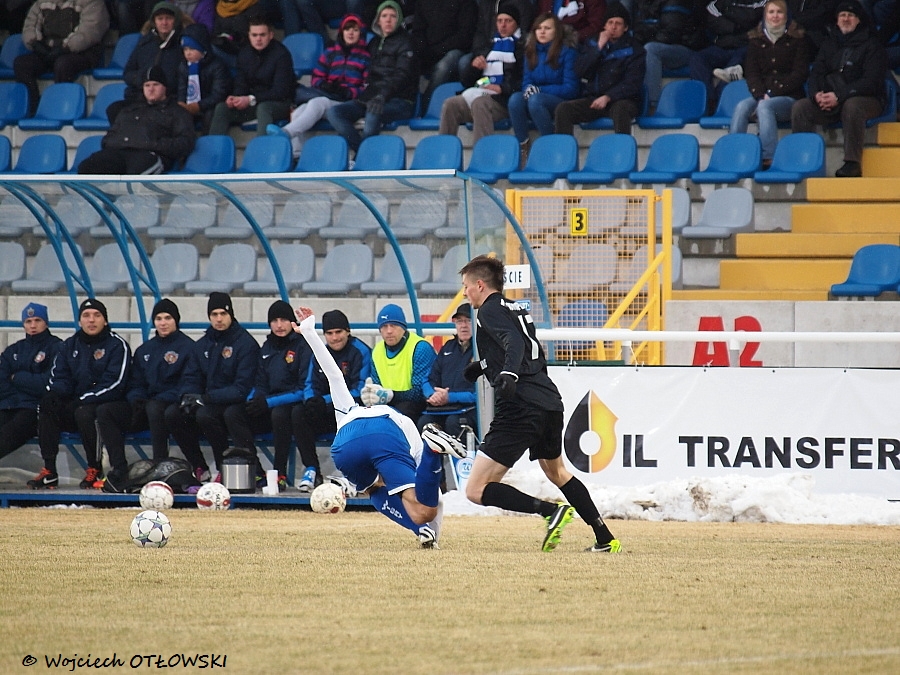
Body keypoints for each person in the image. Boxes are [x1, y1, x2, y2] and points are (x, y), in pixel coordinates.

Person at [459, 255, 621, 553]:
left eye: (466, 286)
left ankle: (550, 511)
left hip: (520, 406)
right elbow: (526, 349)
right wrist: (483, 366)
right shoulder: (515, 308)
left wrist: (508, 374)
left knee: (475, 489)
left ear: (479, 285)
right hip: (548, 401)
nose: (464, 293)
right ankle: (605, 538)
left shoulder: (488, 310)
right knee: (558, 472)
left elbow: (513, 343)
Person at [293, 305, 467, 549]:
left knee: (373, 489)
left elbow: (334, 375)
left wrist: (310, 332)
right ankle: (432, 451)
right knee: (423, 509)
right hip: (387, 433)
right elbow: (434, 498)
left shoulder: (348, 408)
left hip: (345, 444)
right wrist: (435, 527)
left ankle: (421, 532)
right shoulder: (402, 424)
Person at [28, 299, 131, 490]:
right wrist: (56, 394)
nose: (91, 320)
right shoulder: (69, 345)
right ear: (79, 321)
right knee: (47, 405)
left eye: (97, 315)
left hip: (101, 404)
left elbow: (115, 383)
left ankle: (94, 468)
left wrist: (83, 400)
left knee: (85, 412)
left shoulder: (117, 345)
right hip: (74, 403)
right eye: (86, 316)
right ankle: (49, 470)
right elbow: (60, 377)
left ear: (105, 320)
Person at [96, 299, 194, 492]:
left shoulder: (188, 347)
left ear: (176, 320)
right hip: (144, 407)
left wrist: (157, 399)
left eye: (167, 318)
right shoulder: (145, 350)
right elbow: (135, 382)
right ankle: (119, 469)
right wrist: (136, 398)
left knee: (155, 408)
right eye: (158, 318)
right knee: (106, 411)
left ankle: (160, 467)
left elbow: (187, 384)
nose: (163, 323)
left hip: (170, 408)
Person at [164, 292, 259, 482]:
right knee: (173, 413)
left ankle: (223, 467)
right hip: (208, 401)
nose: (219, 319)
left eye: (223, 314)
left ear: (231, 314)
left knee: (205, 415)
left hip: (233, 403)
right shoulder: (203, 344)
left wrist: (206, 398)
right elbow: (191, 375)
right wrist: (187, 396)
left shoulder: (245, 343)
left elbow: (241, 388)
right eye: (214, 314)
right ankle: (198, 466)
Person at [791, 0, 887, 177]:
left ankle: (852, 163)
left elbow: (871, 82)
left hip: (867, 100)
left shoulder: (872, 45)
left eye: (851, 15)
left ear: (859, 20)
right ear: (836, 20)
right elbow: (816, 74)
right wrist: (816, 95)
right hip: (832, 99)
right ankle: (802, 160)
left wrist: (839, 96)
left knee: (852, 106)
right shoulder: (829, 44)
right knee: (801, 107)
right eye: (842, 15)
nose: (846, 19)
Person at [222, 300, 311, 492]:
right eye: (274, 321)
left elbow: (302, 389)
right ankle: (255, 470)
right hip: (268, 405)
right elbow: (260, 382)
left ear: (292, 322)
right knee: (233, 413)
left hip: (290, 407)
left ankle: (280, 473)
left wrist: (268, 402)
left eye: (284, 320)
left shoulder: (302, 347)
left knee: (280, 413)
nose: (279, 325)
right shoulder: (266, 347)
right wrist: (253, 399)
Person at [266, 14, 369, 159]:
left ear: (360, 33)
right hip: (329, 96)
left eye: (355, 30)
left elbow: (366, 87)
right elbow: (316, 77)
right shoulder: (330, 53)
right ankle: (297, 155)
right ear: (341, 32)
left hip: (348, 103)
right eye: (347, 29)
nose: (350, 33)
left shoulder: (365, 58)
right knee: (298, 112)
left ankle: (285, 133)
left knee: (317, 102)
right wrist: (325, 85)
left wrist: (349, 92)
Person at [292, 309, 372, 492]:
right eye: (329, 333)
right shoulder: (320, 352)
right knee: (298, 413)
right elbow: (309, 383)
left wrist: (325, 401)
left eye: (338, 332)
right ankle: (312, 469)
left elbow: (359, 389)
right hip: (325, 411)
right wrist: (311, 401)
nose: (334, 338)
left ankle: (350, 472)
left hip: (350, 411)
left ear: (348, 331)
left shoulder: (360, 351)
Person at [326, 0, 418, 159]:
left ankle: (363, 160)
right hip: (371, 97)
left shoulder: (406, 42)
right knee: (334, 112)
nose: (388, 20)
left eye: (393, 16)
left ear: (399, 19)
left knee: (373, 112)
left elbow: (401, 75)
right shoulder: (374, 43)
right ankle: (362, 153)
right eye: (384, 16)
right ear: (378, 20)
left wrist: (382, 96)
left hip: (399, 100)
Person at [729, 0, 810, 168]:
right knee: (742, 107)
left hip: (789, 98)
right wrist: (760, 94)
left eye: (779, 12)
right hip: (763, 95)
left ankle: (768, 157)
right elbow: (752, 74)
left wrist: (772, 93)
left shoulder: (798, 40)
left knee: (765, 106)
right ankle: (733, 153)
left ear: (786, 16)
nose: (775, 16)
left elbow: (799, 74)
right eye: (771, 12)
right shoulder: (755, 41)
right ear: (765, 16)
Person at [78, 65, 197, 174]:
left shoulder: (177, 112)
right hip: (120, 152)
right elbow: (108, 138)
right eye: (147, 85)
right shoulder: (130, 109)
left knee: (134, 178)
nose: (151, 89)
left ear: (164, 87)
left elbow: (185, 143)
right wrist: (124, 142)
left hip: (150, 155)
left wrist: (152, 144)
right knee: (87, 168)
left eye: (155, 85)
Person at [554, 2, 646, 135]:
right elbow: (580, 70)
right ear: (604, 25)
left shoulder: (635, 49)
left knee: (621, 110)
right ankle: (564, 147)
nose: (613, 27)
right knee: (563, 109)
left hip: (622, 99)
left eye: (618, 23)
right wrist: (597, 49)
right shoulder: (592, 43)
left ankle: (622, 147)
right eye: (610, 23)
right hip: (594, 99)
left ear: (625, 28)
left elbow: (632, 83)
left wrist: (608, 97)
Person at [438, 3, 525, 144]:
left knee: (480, 103)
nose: (503, 25)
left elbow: (524, 81)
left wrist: (502, 88)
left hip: (503, 101)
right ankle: (444, 150)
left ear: (517, 24)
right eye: (499, 21)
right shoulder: (488, 47)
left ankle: (482, 152)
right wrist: (474, 68)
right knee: (450, 104)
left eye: (508, 21)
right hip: (480, 93)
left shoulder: (521, 50)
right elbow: (467, 82)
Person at [15, 0, 110, 116]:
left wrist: (65, 47)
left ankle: (62, 109)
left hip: (81, 52)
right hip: (49, 51)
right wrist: (35, 43)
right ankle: (32, 110)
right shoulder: (41, 2)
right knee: (22, 64)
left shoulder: (92, 2)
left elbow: (90, 30)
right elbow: (30, 25)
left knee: (63, 64)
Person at [507, 12, 580, 162]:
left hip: (560, 99)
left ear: (556, 31)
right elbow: (527, 81)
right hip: (536, 97)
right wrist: (528, 89)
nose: (542, 32)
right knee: (515, 100)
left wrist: (540, 91)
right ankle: (523, 148)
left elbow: (571, 88)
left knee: (535, 101)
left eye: (547, 28)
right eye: (539, 28)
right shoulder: (530, 51)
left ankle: (550, 145)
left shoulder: (568, 52)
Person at [208, 15, 295, 137]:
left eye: (262, 35)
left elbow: (280, 92)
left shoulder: (282, 55)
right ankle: (214, 147)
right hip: (254, 102)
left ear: (271, 35)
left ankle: (262, 147)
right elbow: (241, 82)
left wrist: (250, 99)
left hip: (279, 104)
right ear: (249, 36)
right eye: (254, 35)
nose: (258, 39)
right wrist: (236, 98)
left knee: (264, 108)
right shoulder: (245, 53)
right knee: (222, 108)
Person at [0, 303, 62, 467]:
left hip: (34, 408)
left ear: (46, 323)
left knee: (7, 435)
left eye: (37, 320)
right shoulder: (14, 350)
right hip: (8, 404)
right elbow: (2, 379)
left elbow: (46, 383)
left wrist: (16, 378)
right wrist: (20, 386)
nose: (33, 325)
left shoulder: (56, 347)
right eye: (28, 321)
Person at [361, 303, 436, 424]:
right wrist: (371, 394)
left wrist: (391, 395)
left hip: (416, 406)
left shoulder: (420, 347)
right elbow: (377, 384)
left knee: (402, 412)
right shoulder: (377, 351)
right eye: (384, 326)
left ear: (403, 327)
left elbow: (420, 393)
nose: (389, 331)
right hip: (388, 404)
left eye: (394, 325)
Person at [689, 0, 765, 112]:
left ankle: (720, 103)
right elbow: (714, 20)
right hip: (723, 47)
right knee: (698, 59)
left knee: (734, 64)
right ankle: (708, 101)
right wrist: (739, 27)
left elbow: (760, 27)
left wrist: (730, 20)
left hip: (746, 47)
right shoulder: (718, 3)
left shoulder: (763, 2)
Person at [632, 0, 708, 111]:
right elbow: (639, 31)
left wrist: (645, 39)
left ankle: (651, 105)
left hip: (686, 49)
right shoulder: (643, 3)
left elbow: (670, 33)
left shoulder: (675, 2)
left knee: (651, 49)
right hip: (660, 46)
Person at [417, 303, 477, 439]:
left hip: (471, 409)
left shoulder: (482, 349)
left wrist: (450, 397)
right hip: (444, 407)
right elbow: (428, 379)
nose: (463, 326)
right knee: (425, 422)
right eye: (459, 321)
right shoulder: (448, 347)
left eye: (468, 320)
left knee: (453, 423)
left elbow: (481, 393)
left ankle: (463, 454)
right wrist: (432, 394)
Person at [410, 0, 478, 112]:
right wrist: (423, 50)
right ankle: (409, 105)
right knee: (410, 56)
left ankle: (426, 108)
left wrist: (437, 50)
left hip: (456, 51)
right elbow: (418, 31)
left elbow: (465, 35)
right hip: (429, 51)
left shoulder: (465, 2)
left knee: (445, 64)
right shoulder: (423, 2)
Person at [119, 2, 188, 110]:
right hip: (142, 98)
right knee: (114, 109)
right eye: (160, 19)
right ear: (154, 21)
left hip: (171, 100)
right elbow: (128, 73)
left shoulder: (184, 44)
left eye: (168, 18)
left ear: (176, 21)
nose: (164, 22)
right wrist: (145, 80)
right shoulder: (144, 43)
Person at [177, 22, 233, 133]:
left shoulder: (217, 65)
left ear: (202, 48)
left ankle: (207, 140)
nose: (188, 53)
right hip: (190, 105)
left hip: (209, 105)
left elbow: (219, 94)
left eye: (192, 49)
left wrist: (199, 106)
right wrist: (182, 104)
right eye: (185, 49)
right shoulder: (184, 67)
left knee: (210, 115)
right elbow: (182, 90)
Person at [280, 0, 366, 40]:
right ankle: (323, 41)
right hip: (322, 5)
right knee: (303, 2)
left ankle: (356, 41)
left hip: (342, 5)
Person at [536, 0, 606, 44]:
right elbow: (539, 21)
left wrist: (572, 37)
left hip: (576, 44)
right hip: (545, 43)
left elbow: (595, 25)